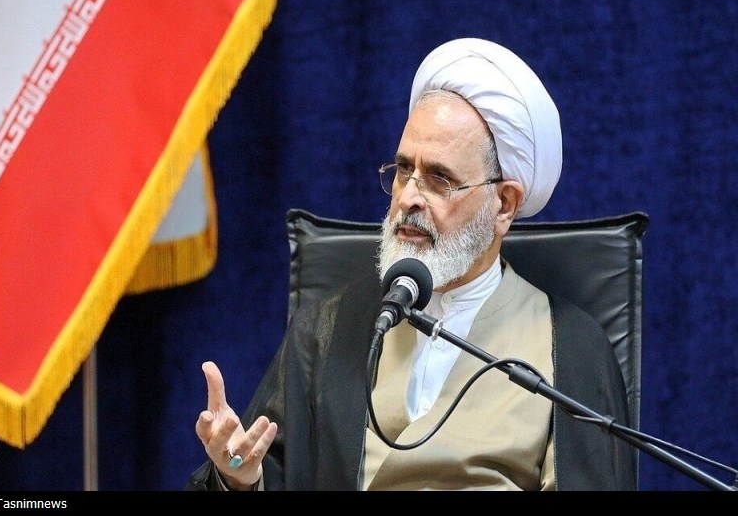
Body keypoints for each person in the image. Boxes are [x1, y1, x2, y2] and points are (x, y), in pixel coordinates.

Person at [186, 38, 636, 491]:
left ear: (504, 204)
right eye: (403, 170)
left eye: (439, 179)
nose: (407, 198)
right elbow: (264, 467)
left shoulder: (570, 350)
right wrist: (238, 480)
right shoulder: (327, 330)